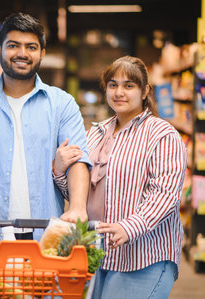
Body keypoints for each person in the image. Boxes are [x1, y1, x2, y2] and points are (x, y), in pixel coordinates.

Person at [0, 12, 91, 242]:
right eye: (13, 45)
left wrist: (76, 207)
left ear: (42, 54)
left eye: (31, 47)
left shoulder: (61, 104)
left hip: (46, 237)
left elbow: (78, 160)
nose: (22, 54)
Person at [53, 56, 187, 299]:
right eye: (113, 85)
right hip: (98, 254)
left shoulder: (162, 134)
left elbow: (166, 194)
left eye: (129, 85)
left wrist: (129, 227)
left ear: (145, 91)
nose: (119, 92)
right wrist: (60, 169)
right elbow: (77, 194)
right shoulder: (96, 132)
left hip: (143, 256)